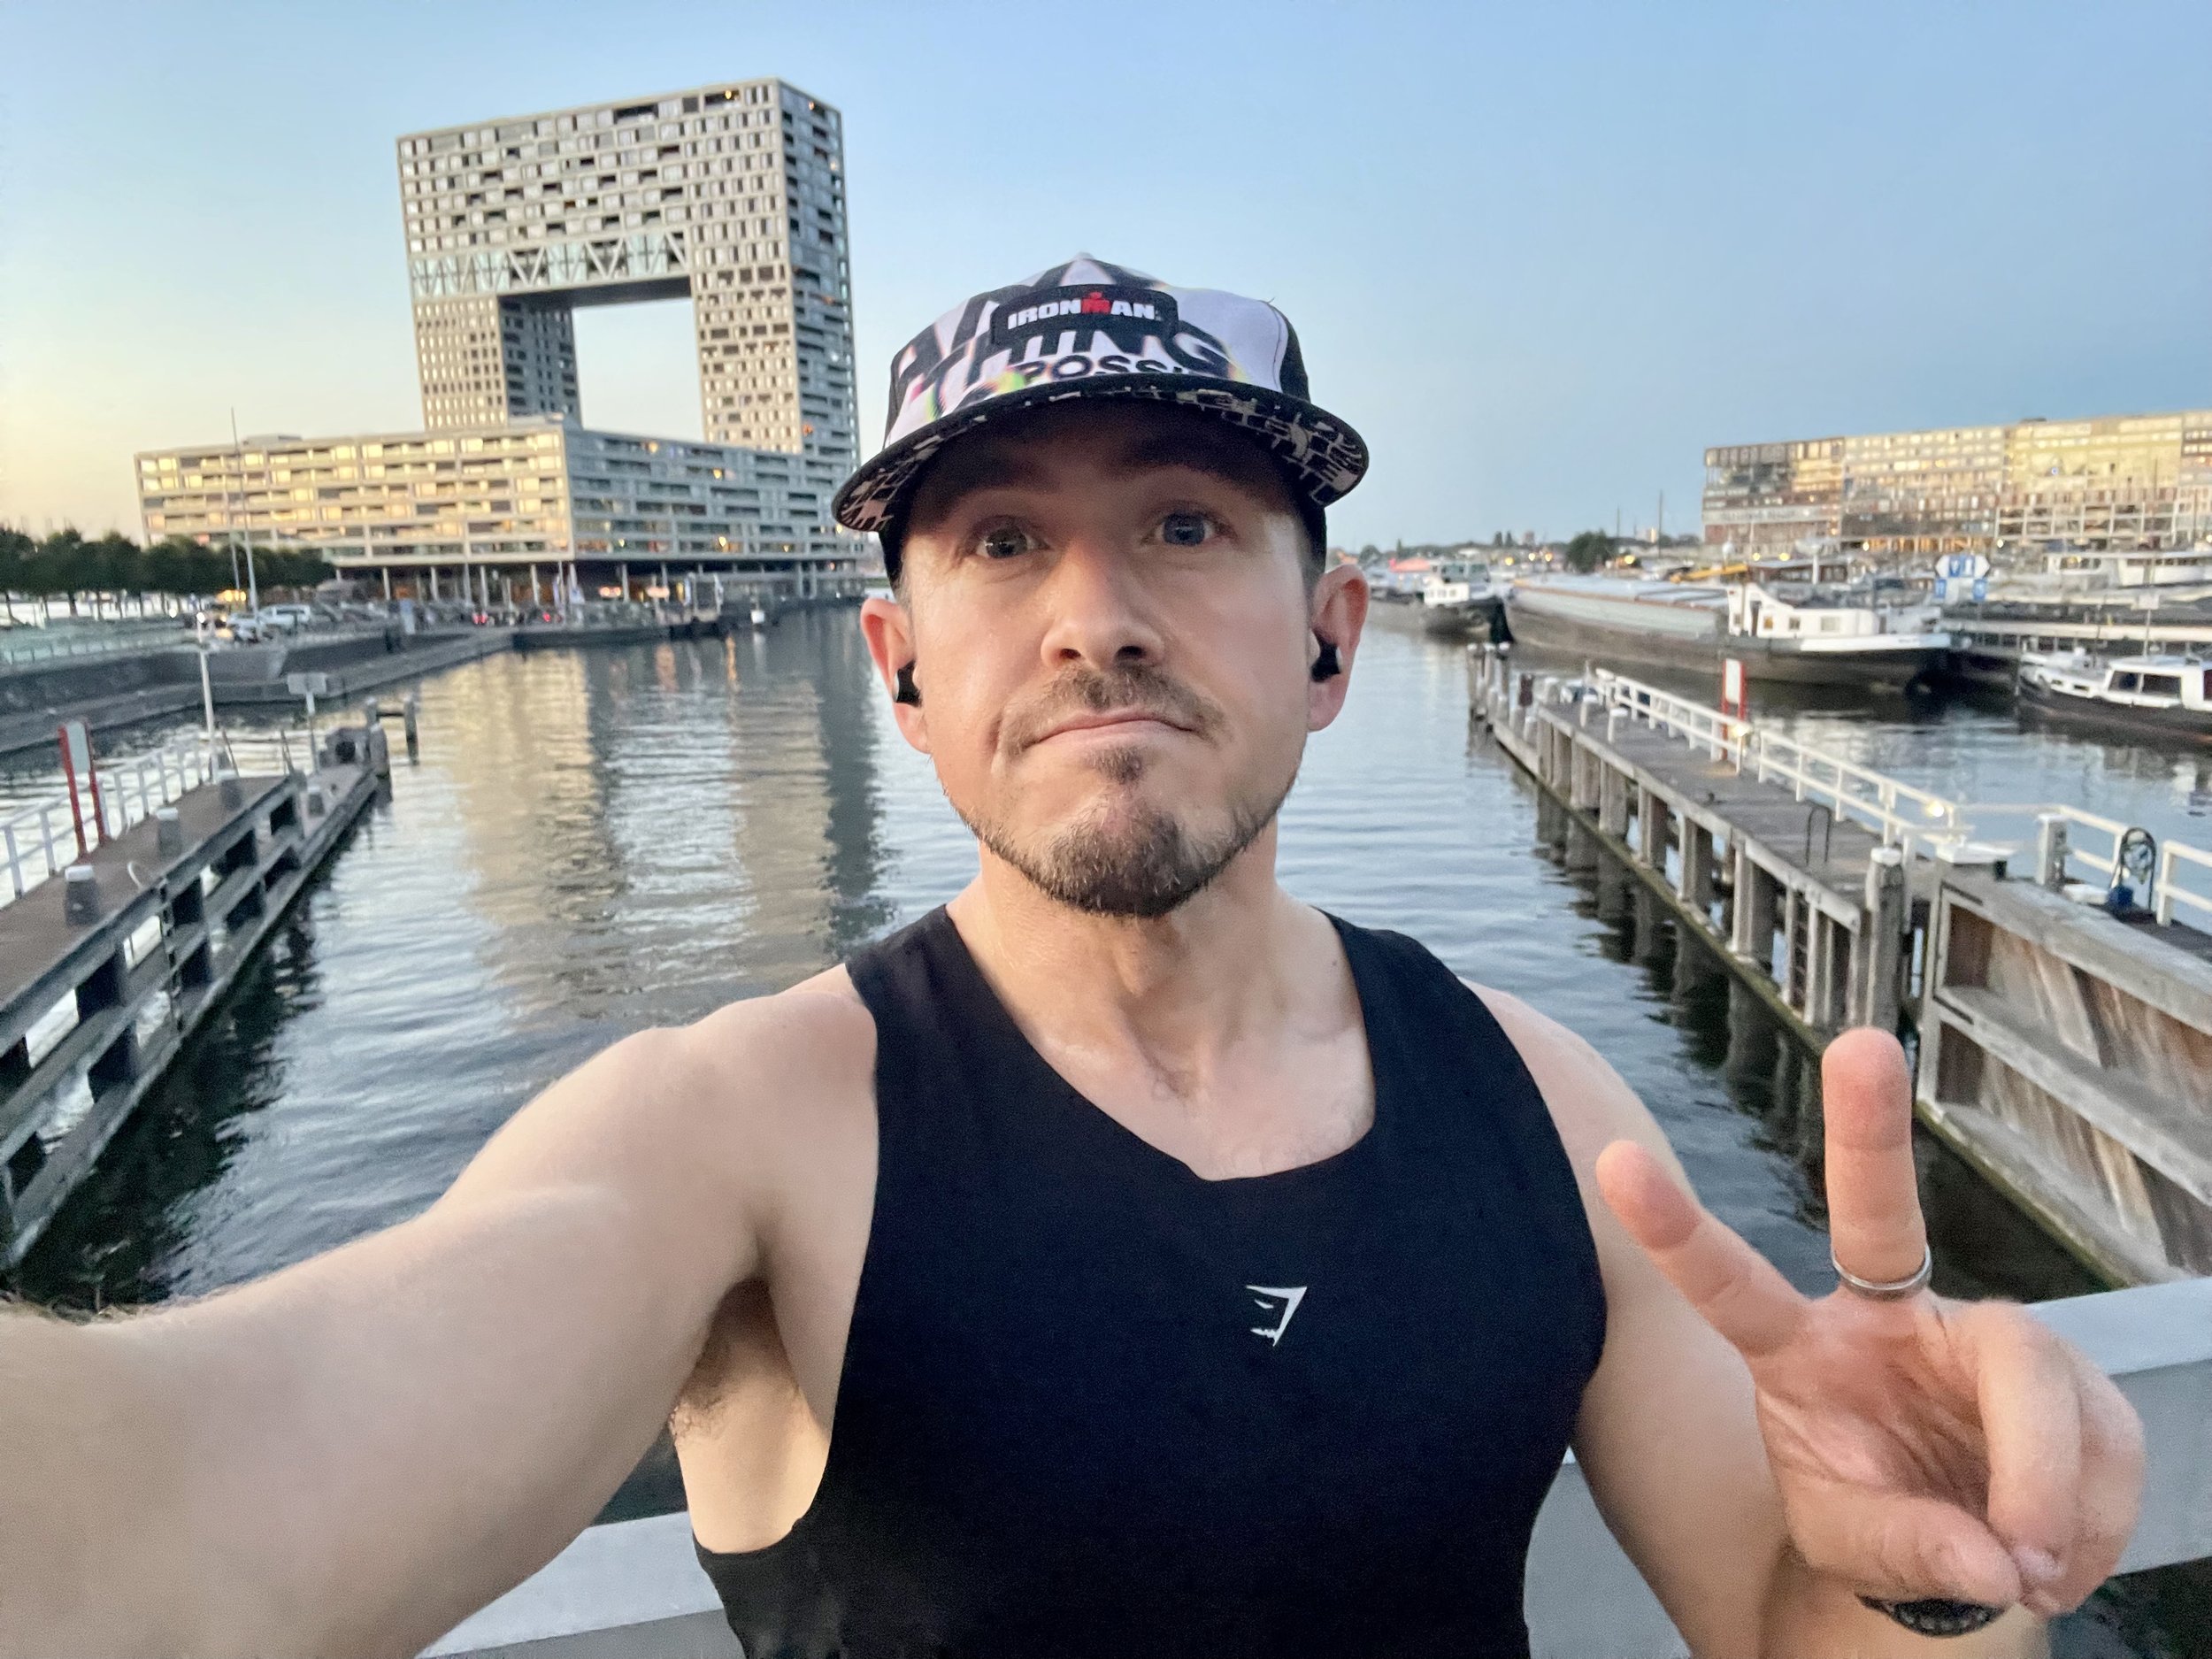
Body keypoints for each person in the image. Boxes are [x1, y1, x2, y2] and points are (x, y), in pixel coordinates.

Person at [0, 257, 2140, 1659]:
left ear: (1330, 639)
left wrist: (1937, 1567)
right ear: (900, 664)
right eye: (1001, 540)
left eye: (1184, 525)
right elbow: (203, 1520)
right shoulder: (736, 1135)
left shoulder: (1543, 1114)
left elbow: (1785, 1621)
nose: (1092, 615)